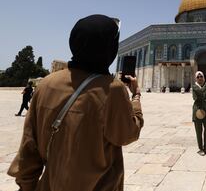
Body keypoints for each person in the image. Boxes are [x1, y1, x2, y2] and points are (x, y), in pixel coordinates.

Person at [8, 14, 144, 191]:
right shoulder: (112, 89)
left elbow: (29, 147)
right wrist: (136, 97)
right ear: (109, 48)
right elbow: (128, 134)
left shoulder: (46, 84)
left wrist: (27, 186)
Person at [192, 71, 206, 155]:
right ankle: (200, 148)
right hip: (198, 111)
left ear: (203, 77)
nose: (200, 78)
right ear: (196, 78)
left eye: (201, 76)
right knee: (199, 130)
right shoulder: (194, 87)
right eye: (198, 77)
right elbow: (199, 93)